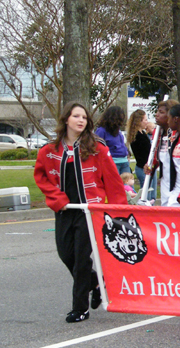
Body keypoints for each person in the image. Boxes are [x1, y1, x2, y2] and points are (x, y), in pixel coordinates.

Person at [34, 102, 127, 323]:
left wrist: (119, 212)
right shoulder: (49, 150)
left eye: (84, 117)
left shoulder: (98, 148)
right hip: (65, 210)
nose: (81, 120)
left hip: (89, 211)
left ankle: (80, 308)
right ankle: (95, 282)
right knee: (66, 254)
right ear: (66, 119)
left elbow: (113, 182)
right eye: (76, 116)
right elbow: (41, 178)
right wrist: (57, 199)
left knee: (80, 258)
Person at [145, 99, 178, 207]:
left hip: (179, 183)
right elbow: (156, 158)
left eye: (161, 112)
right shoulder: (157, 134)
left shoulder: (179, 135)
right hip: (165, 182)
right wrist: (151, 165)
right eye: (157, 111)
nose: (157, 115)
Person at [127, 109, 156, 202]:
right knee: (146, 196)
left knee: (152, 195)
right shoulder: (136, 136)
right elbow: (141, 154)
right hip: (143, 167)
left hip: (150, 166)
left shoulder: (143, 133)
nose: (147, 122)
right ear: (139, 121)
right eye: (145, 120)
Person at [95, 106, 131, 175]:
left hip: (124, 162)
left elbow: (122, 144)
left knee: (128, 185)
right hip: (112, 162)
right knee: (115, 185)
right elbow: (97, 147)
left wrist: (127, 154)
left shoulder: (118, 130)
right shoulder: (101, 131)